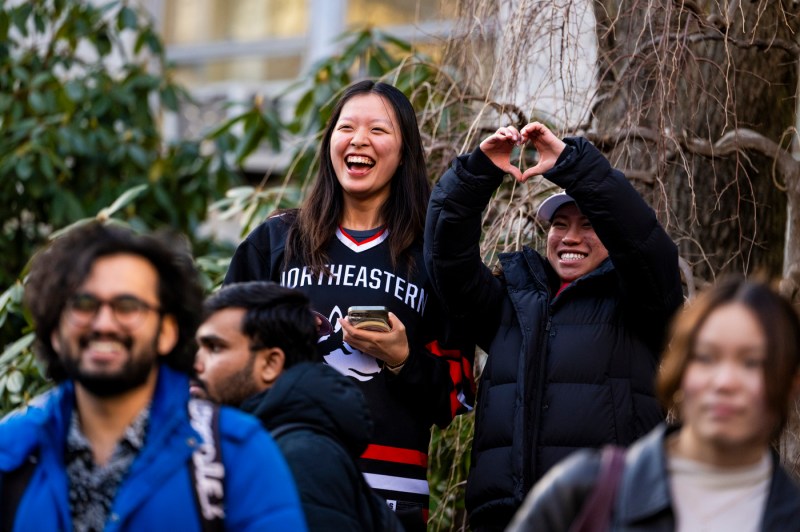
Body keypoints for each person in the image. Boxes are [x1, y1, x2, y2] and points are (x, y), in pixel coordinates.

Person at [224, 79, 474, 531]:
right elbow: (220, 355)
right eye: (346, 127)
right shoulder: (276, 241)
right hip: (281, 476)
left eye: (378, 130)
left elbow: (455, 395)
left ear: (404, 152)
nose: (359, 140)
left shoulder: (432, 256)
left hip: (391, 494)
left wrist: (402, 359)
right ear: (329, 143)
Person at [425, 122, 684, 530]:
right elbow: (446, 262)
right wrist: (478, 172)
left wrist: (572, 164)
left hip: (606, 514)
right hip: (505, 517)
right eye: (560, 225)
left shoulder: (640, 301)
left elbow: (646, 244)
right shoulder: (511, 301)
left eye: (588, 225)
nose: (570, 237)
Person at [0, 223, 306, 531]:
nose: (104, 323)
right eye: (84, 304)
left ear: (167, 332)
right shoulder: (12, 451)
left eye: (127, 306)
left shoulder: (236, 454)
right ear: (55, 330)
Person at [507, 277, 800, 531]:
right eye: (706, 357)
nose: (724, 382)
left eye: (752, 363)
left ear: (790, 382)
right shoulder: (583, 492)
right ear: (681, 370)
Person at [191, 280, 402, 531]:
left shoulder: (301, 457)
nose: (196, 364)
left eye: (214, 348)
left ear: (270, 364)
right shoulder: (261, 440)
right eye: (198, 348)